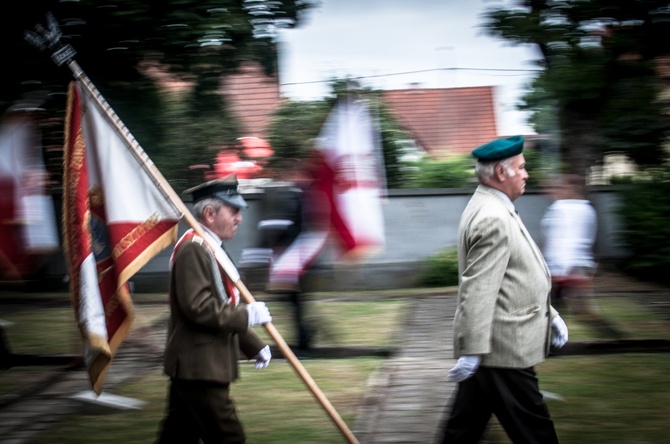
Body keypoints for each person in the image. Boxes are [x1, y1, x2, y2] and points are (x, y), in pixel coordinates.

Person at [439, 135, 569, 444]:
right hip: (504, 347)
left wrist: (549, 314)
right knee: (534, 431)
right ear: (502, 172)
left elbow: (517, 275)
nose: (527, 174)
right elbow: (478, 288)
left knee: (463, 429)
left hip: (495, 344)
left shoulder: (494, 206)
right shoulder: (493, 217)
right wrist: (472, 349)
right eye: (522, 168)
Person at [157, 175, 273, 444]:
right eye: (234, 211)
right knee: (229, 437)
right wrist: (247, 315)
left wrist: (251, 344)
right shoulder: (193, 249)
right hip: (199, 367)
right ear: (209, 214)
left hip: (198, 364)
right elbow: (198, 307)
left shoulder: (211, 248)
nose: (239, 218)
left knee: (177, 437)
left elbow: (223, 304)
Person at [541, 174, 598, 316]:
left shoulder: (561, 208)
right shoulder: (587, 209)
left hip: (564, 266)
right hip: (576, 265)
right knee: (577, 311)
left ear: (570, 188)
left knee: (557, 311)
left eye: (558, 187)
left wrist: (561, 268)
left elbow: (563, 240)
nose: (553, 191)